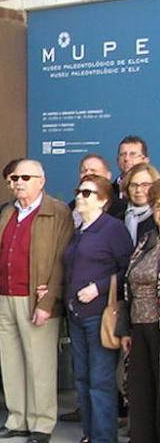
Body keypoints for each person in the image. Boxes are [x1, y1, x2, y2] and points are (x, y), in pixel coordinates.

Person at [0, 159, 74, 443]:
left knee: (40, 364)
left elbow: (62, 260)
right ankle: (17, 419)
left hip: (34, 298)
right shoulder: (9, 211)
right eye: (14, 177)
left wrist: (48, 302)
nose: (18, 182)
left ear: (41, 180)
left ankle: (41, 424)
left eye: (25, 177)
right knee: (11, 363)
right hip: (4, 295)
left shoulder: (57, 211)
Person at [62, 175, 132, 443]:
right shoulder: (80, 229)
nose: (80, 196)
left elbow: (127, 269)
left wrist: (99, 287)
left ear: (103, 200)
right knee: (81, 378)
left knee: (100, 381)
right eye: (79, 191)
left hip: (99, 315)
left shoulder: (112, 229)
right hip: (76, 313)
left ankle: (104, 437)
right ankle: (90, 434)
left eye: (88, 193)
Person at [117, 179, 160, 443]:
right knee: (141, 391)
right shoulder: (147, 239)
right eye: (157, 205)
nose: (159, 211)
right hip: (140, 324)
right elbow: (127, 283)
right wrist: (124, 328)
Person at [66, 154, 126, 223]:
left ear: (108, 175)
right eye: (84, 171)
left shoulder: (121, 209)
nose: (88, 173)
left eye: (93, 170)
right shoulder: (70, 208)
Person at [123, 162, 160, 245]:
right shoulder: (118, 218)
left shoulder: (157, 217)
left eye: (145, 185)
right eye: (133, 185)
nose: (138, 190)